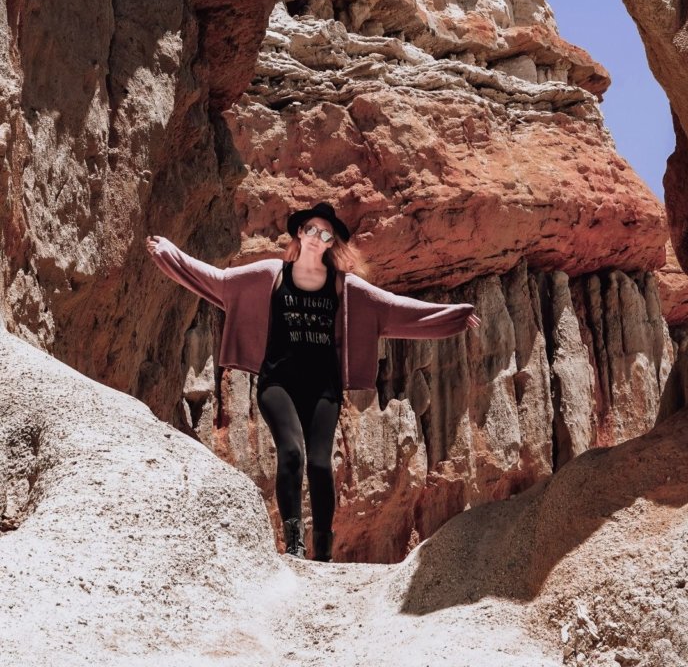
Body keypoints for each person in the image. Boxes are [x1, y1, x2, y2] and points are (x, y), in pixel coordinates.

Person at [146, 201, 479, 563]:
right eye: (312, 230)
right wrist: (170, 254)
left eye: (326, 234)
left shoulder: (343, 287)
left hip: (324, 388)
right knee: (291, 453)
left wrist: (454, 316)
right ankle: (293, 543)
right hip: (278, 383)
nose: (318, 237)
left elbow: (394, 309)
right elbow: (220, 282)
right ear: (300, 233)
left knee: (320, 463)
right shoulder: (272, 274)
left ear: (331, 242)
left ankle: (322, 550)